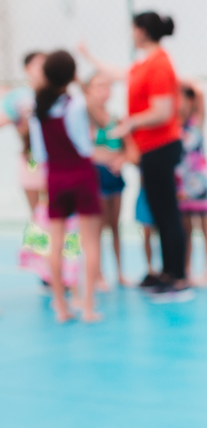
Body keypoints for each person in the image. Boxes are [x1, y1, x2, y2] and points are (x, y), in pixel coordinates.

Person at [79, 12, 190, 300]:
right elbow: (120, 73)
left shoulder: (160, 65)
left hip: (160, 146)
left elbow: (163, 111)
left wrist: (131, 122)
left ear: (141, 31)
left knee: (166, 212)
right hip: (149, 148)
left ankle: (177, 275)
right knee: (159, 211)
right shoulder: (146, 64)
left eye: (132, 29)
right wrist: (90, 57)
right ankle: (166, 271)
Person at [29, 51, 117, 323]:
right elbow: (83, 146)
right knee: (90, 242)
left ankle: (61, 307)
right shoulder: (76, 105)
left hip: (55, 176)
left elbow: (40, 153)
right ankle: (88, 307)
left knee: (56, 244)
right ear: (71, 75)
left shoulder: (38, 110)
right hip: (80, 174)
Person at [83, 73, 130, 289]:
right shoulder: (85, 116)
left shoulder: (115, 118)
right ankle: (98, 274)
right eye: (99, 86)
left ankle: (119, 272)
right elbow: (84, 149)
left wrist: (121, 159)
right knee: (97, 228)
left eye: (107, 86)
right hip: (96, 176)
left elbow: (127, 149)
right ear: (88, 90)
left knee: (115, 226)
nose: (104, 90)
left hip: (114, 176)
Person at [176, 82, 207, 284]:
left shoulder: (197, 122)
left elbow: (201, 91)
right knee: (186, 228)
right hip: (182, 183)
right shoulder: (174, 125)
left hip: (200, 181)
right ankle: (187, 268)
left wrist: (183, 83)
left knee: (204, 225)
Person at [3, 52, 46, 213]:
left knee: (56, 209)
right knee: (37, 212)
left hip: (54, 158)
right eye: (38, 63)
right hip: (31, 157)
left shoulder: (55, 94)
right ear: (27, 68)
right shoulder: (18, 96)